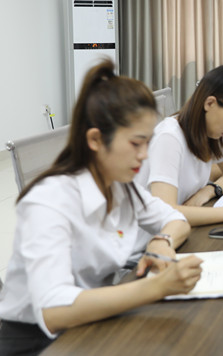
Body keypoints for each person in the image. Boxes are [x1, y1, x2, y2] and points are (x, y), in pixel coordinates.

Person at [0, 60, 202, 353]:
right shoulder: (49, 200)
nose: (144, 155)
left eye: (148, 143)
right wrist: (154, 288)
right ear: (95, 139)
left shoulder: (121, 186)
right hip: (37, 340)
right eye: (136, 143)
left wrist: (162, 241)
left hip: (95, 319)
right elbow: (53, 311)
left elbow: (175, 219)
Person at [135, 64, 223, 229]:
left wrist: (208, 191)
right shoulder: (169, 137)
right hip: (150, 238)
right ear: (210, 103)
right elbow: (165, 213)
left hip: (180, 229)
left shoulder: (212, 134)